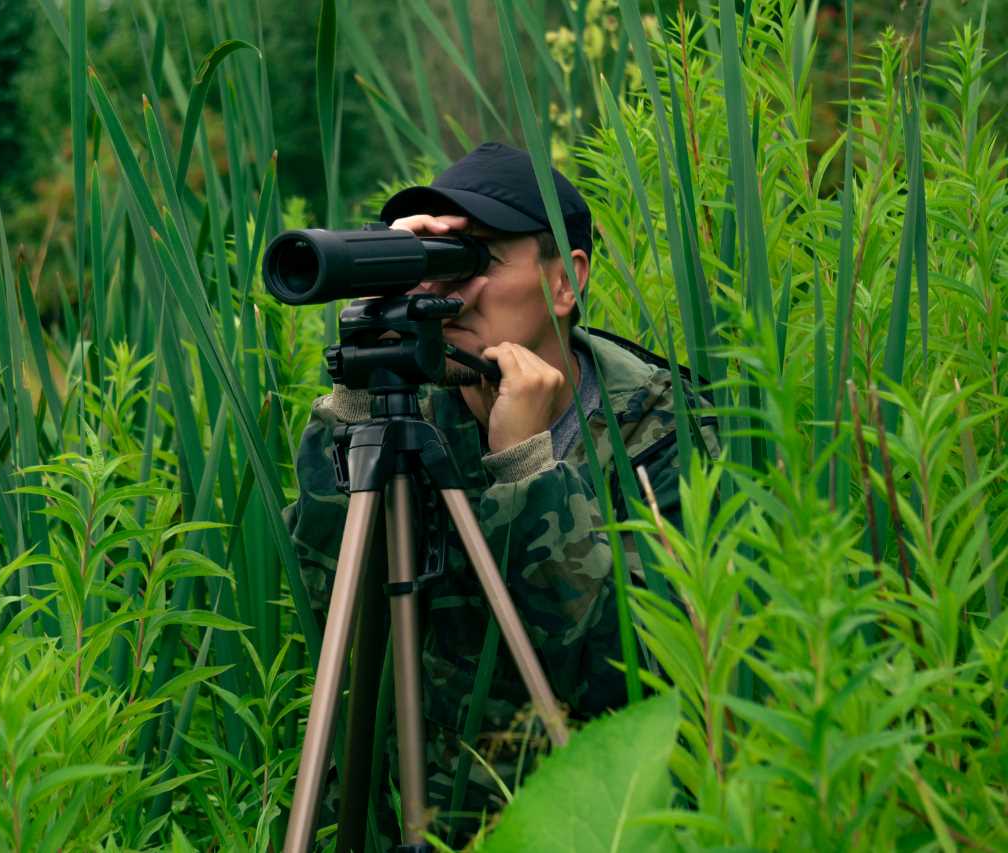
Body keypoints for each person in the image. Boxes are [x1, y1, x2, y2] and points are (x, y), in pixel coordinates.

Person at [283, 141, 717, 842]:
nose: (448, 288)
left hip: (579, 824)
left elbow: (631, 673)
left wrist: (525, 467)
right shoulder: (409, 418)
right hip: (409, 817)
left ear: (565, 281)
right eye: (436, 258)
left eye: (477, 257)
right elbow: (327, 602)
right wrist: (358, 392)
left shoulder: (664, 432)